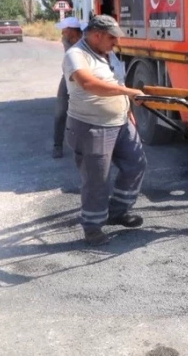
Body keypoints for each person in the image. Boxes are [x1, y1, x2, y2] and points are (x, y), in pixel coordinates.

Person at [63, 14, 148, 246]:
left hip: (120, 121)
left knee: (136, 164)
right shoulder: (76, 55)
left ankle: (118, 211)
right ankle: (92, 227)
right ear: (96, 34)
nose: (116, 42)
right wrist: (130, 93)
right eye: (112, 37)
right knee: (96, 178)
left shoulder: (109, 54)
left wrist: (127, 108)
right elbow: (88, 84)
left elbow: (116, 83)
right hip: (92, 126)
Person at [53, 16, 83, 158]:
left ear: (72, 30)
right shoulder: (67, 41)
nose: (62, 33)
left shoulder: (86, 40)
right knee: (60, 112)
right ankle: (57, 146)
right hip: (68, 77)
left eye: (64, 30)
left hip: (85, 76)